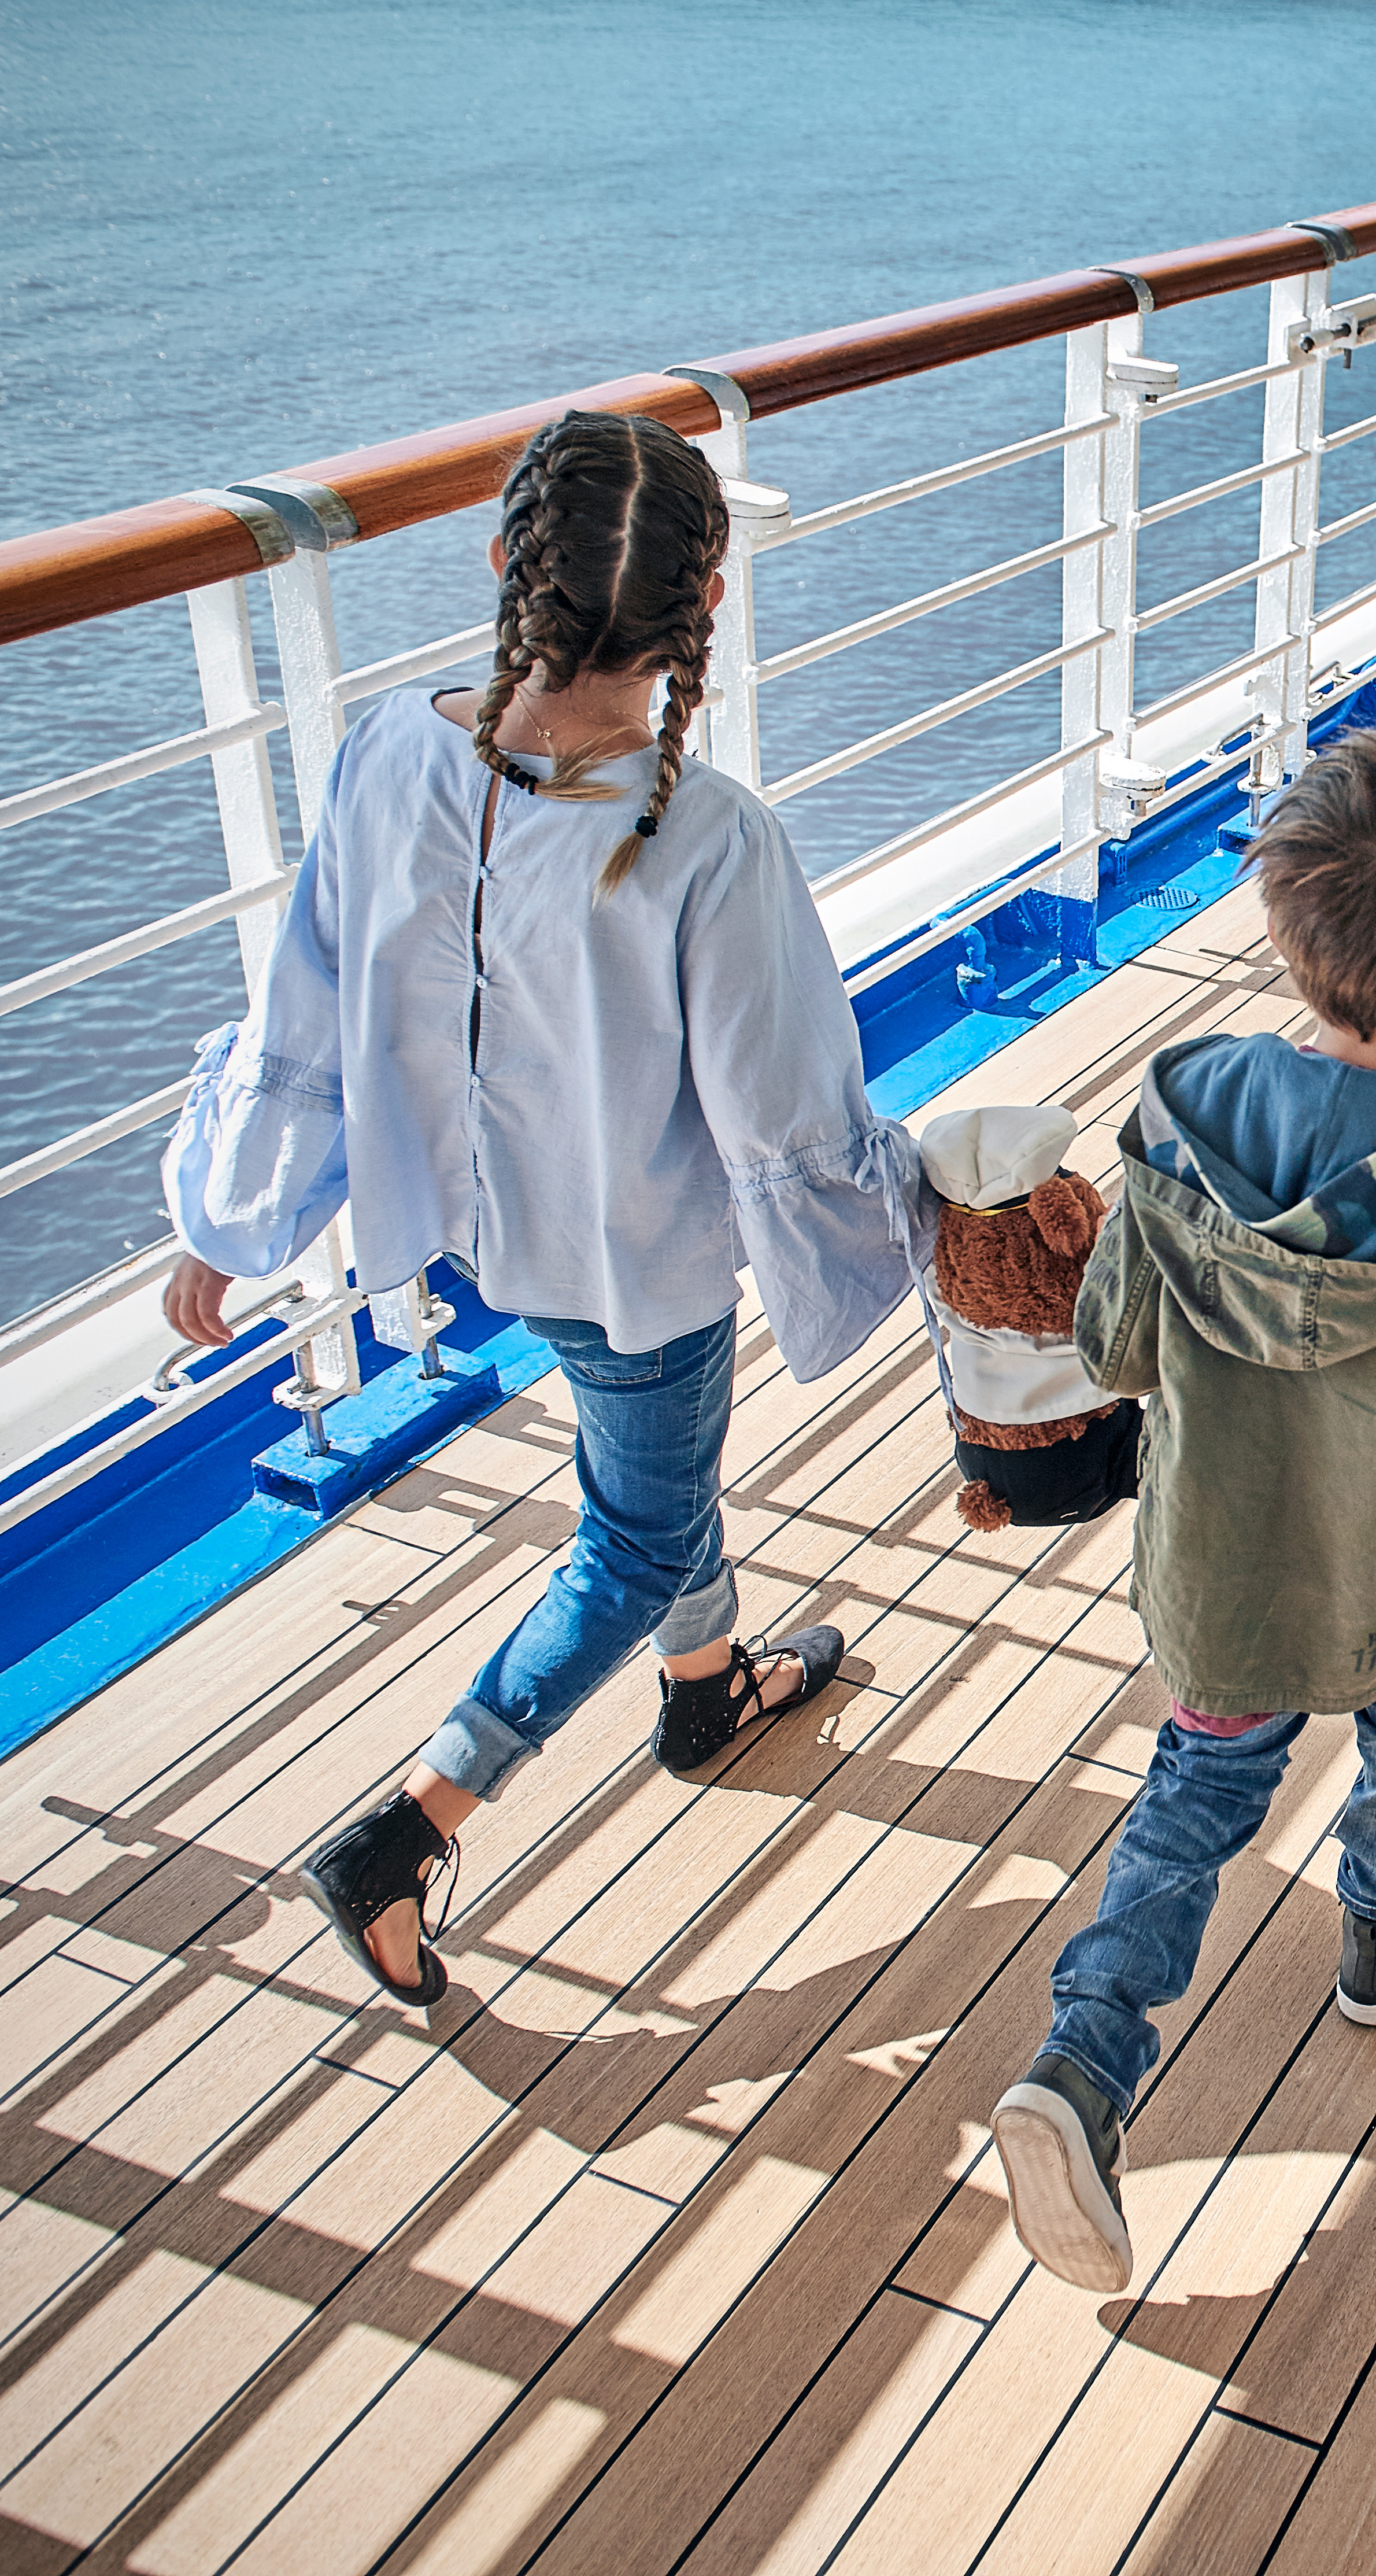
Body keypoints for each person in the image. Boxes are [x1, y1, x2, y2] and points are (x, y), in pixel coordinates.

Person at [159, 409, 935, 2010]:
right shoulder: (705, 840)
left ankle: (710, 1690)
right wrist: (936, 1210)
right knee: (637, 1533)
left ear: (503, 564)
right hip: (641, 1262)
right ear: (703, 603)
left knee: (648, 1467)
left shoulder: (391, 755)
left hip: (494, 1242)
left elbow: (305, 1009)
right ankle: (409, 1822)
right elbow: (789, 1131)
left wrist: (228, 1226)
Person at [992, 729, 1376, 2294]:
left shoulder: (1181, 1122)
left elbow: (1113, 1347)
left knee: (1192, 1802)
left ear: (1282, 933)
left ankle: (1084, 2060)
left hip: (1223, 1580)